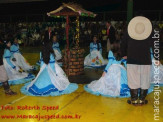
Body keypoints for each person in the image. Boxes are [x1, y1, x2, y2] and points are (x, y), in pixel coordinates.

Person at [120, 16, 158, 105]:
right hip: (146, 60)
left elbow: (123, 44)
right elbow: (155, 45)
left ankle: (134, 100)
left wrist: (124, 55)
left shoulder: (128, 32)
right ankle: (141, 100)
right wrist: (156, 57)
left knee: (133, 79)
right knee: (145, 80)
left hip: (132, 59)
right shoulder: (150, 33)